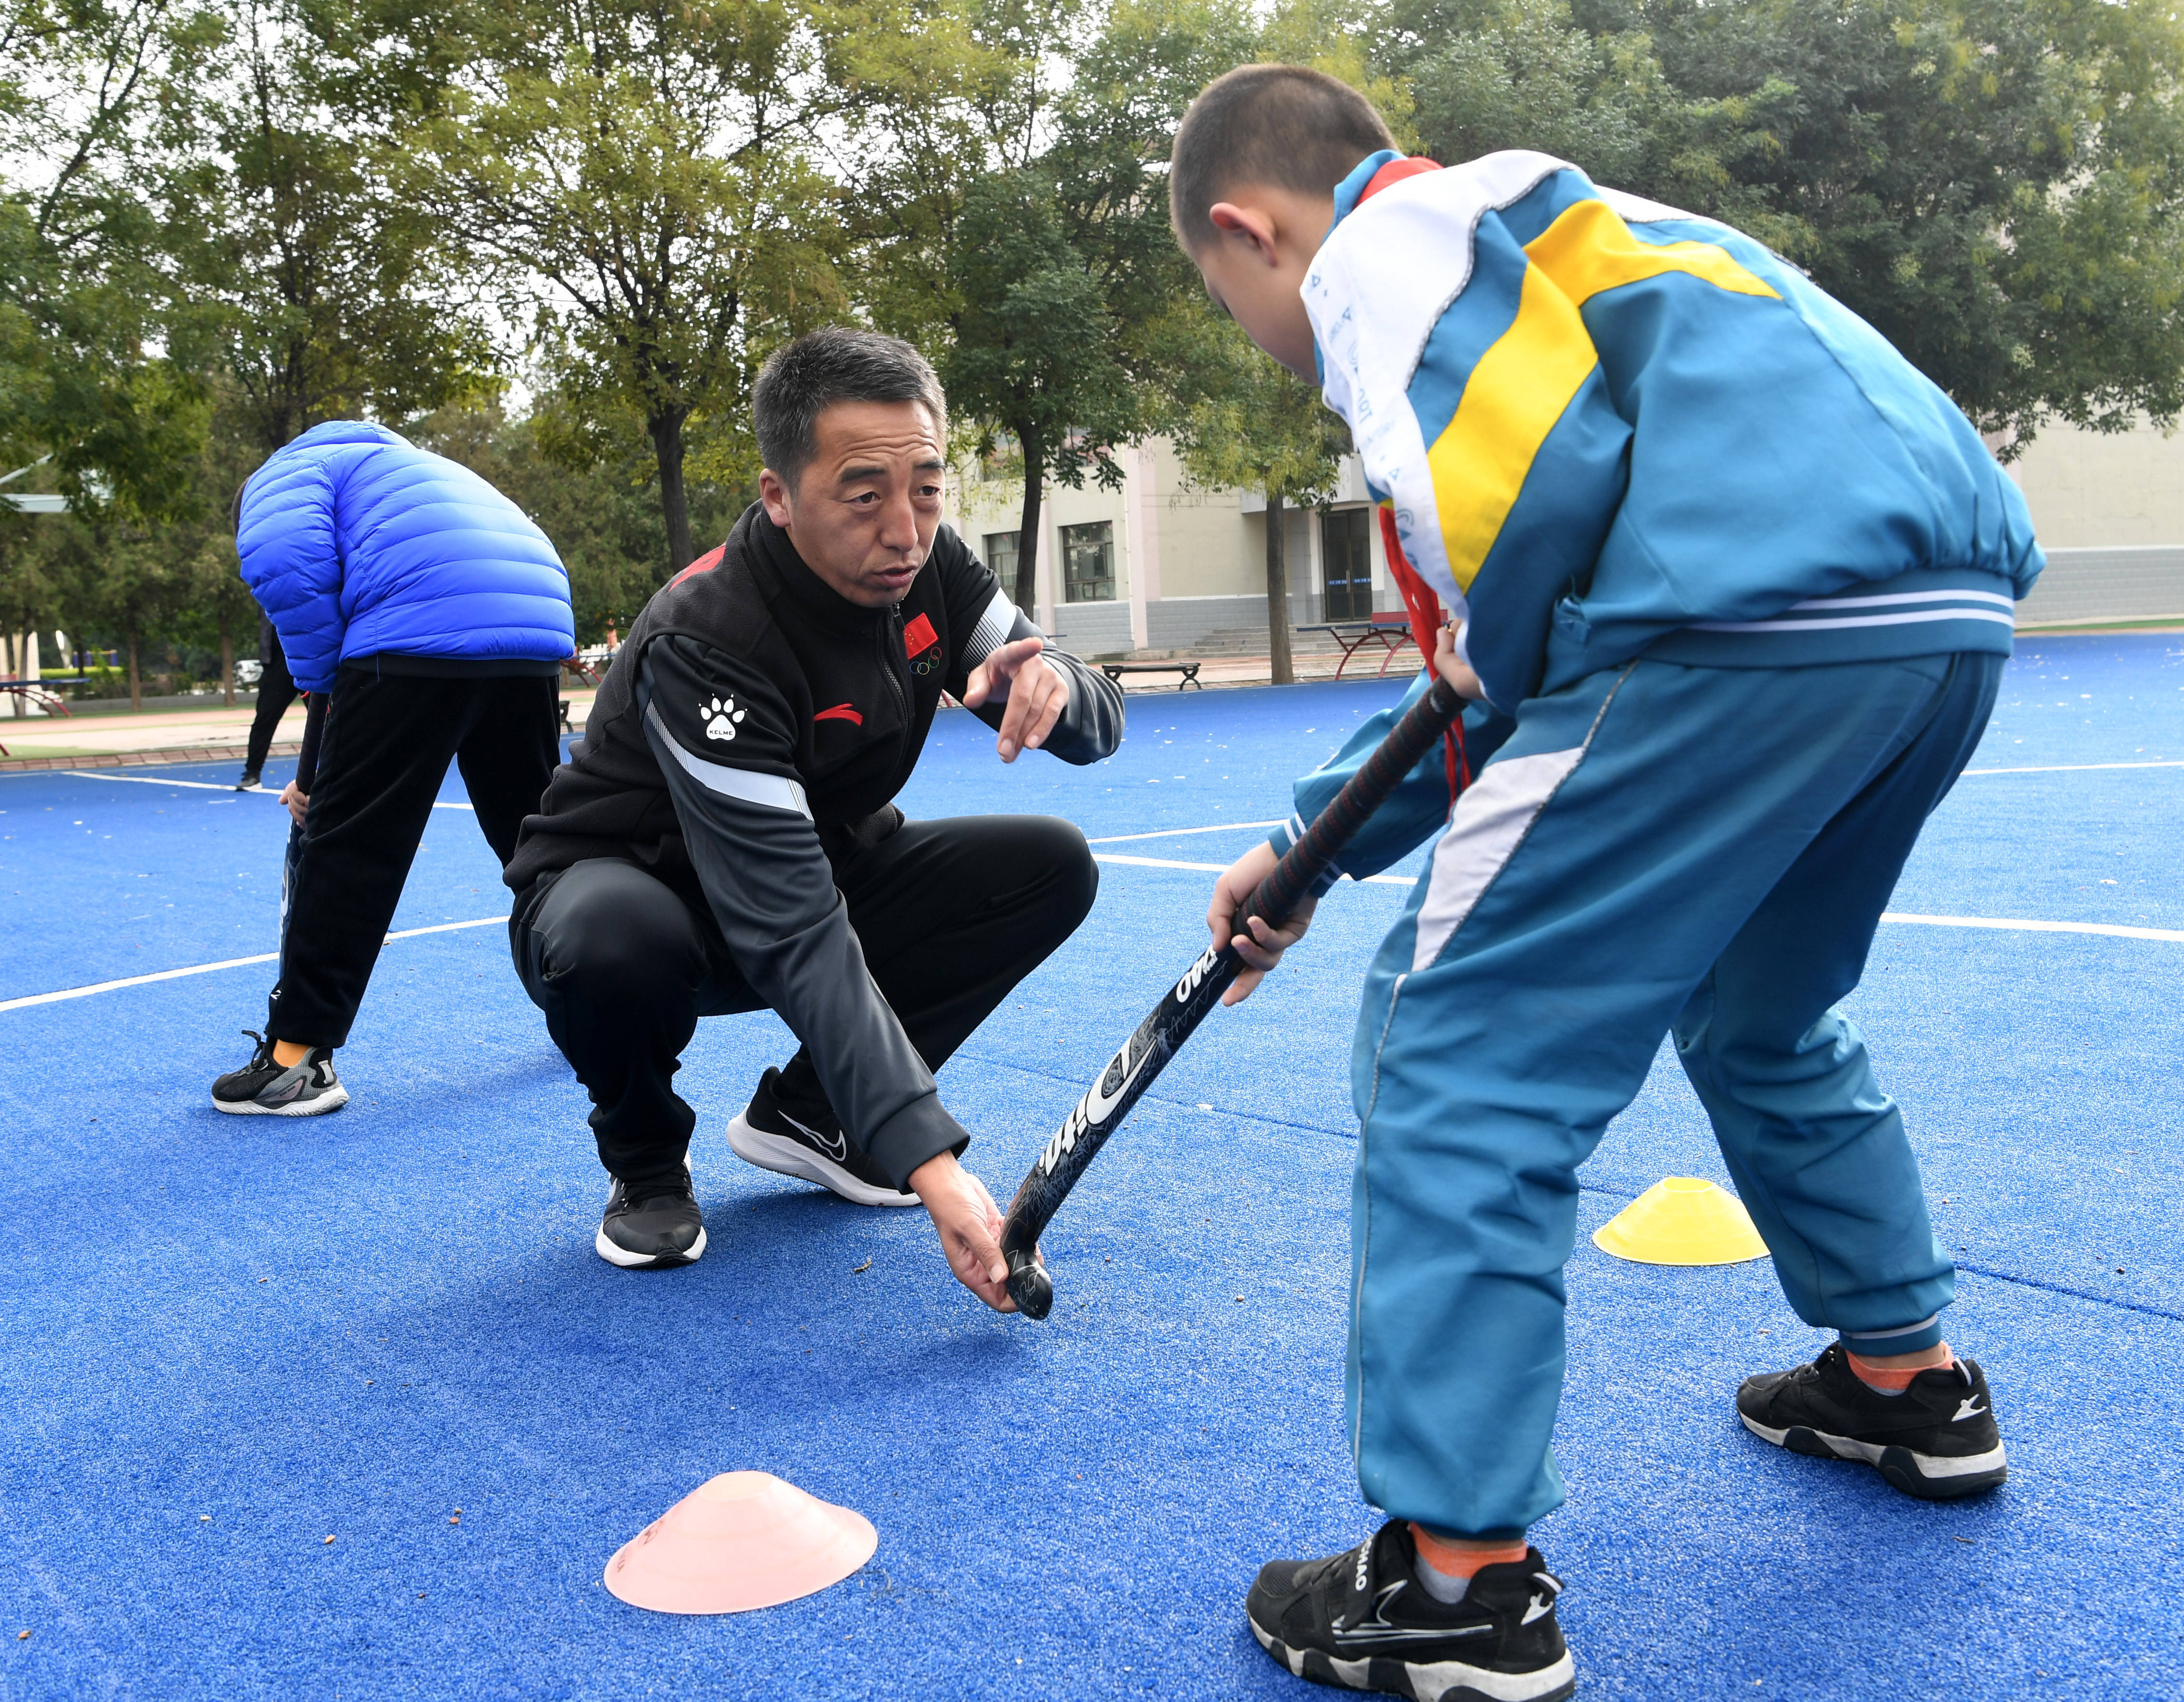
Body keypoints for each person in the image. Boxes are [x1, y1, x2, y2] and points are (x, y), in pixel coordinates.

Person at [1168, 66, 2043, 1699]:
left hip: (1735, 625)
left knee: (1457, 1051)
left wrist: (1329, 843)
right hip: (1932, 618)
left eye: (1239, 309)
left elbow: (1506, 611)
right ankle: (1907, 1381)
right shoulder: (1583, 226)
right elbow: (1506, 649)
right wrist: (1310, 848)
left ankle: (1453, 1586)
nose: (1274, 344)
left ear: (1251, 229)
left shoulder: (1390, 243)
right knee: (1763, 1011)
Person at [503, 328, 1123, 1303]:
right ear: (779, 496)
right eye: (863, 493)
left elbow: (1095, 719)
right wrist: (931, 1157)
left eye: (926, 485)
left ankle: (816, 1115)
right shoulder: (710, 635)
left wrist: (1055, 689)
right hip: (646, 899)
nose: (905, 528)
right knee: (611, 934)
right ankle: (647, 1158)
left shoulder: (934, 569)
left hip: (819, 868)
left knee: (1049, 863)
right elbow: (785, 916)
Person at [212, 423, 575, 1117]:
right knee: (540, 843)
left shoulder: (278, 483)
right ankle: (600, 1012)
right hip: (528, 629)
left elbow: (289, 569)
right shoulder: (409, 471)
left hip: (417, 635)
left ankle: (295, 1061)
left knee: (351, 851)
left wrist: (327, 765)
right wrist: (320, 771)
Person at [234, 614, 300, 791]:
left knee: (329, 720)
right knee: (263, 721)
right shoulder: (268, 588)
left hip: (309, 659)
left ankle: (340, 771)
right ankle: (252, 774)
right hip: (277, 664)